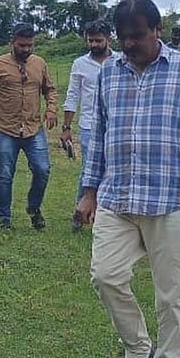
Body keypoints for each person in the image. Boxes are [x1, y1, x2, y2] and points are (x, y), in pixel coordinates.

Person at [76, 0, 180, 358]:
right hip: (118, 197)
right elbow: (99, 134)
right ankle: (138, 348)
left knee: (172, 295)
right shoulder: (109, 71)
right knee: (105, 276)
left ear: (157, 31)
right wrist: (89, 191)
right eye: (123, 37)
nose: (129, 44)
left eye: (138, 36)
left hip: (170, 198)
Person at [0, 22, 58, 230]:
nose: (26, 49)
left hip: (33, 128)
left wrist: (51, 109)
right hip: (6, 129)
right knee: (5, 175)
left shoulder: (39, 63)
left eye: (30, 45)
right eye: (22, 45)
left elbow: (50, 89)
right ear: (12, 42)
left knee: (42, 169)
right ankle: (4, 218)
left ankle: (34, 208)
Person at [62, 19, 115, 233]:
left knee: (112, 170)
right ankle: (80, 211)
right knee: (89, 170)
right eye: (90, 40)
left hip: (115, 125)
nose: (94, 44)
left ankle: (107, 215)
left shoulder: (120, 61)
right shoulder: (80, 64)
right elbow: (73, 95)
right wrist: (66, 127)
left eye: (98, 40)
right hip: (88, 125)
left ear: (109, 39)